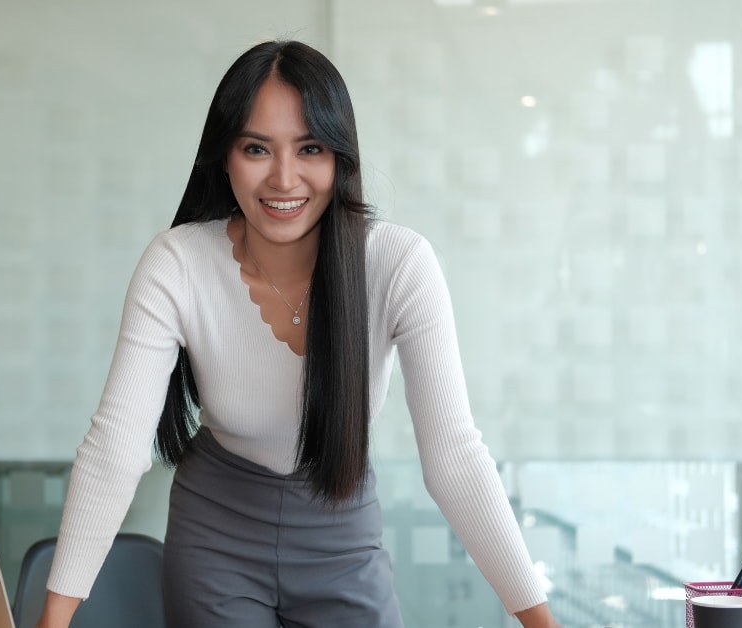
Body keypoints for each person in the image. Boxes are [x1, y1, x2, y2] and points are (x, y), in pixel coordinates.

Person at [37, 40, 560, 628]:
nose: (284, 178)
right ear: (224, 158)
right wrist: (52, 620)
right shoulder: (176, 263)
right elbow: (116, 447)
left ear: (339, 156)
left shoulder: (399, 264)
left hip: (342, 531)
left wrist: (540, 622)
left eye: (309, 147)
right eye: (256, 148)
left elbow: (455, 455)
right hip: (216, 534)